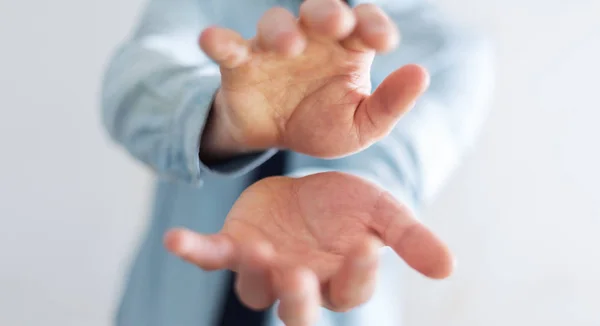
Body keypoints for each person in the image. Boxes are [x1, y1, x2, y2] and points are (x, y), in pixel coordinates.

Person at [101, 0, 493, 325]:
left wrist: (349, 208)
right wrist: (225, 123)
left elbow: (399, 163)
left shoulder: (451, 50)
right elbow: (132, 90)